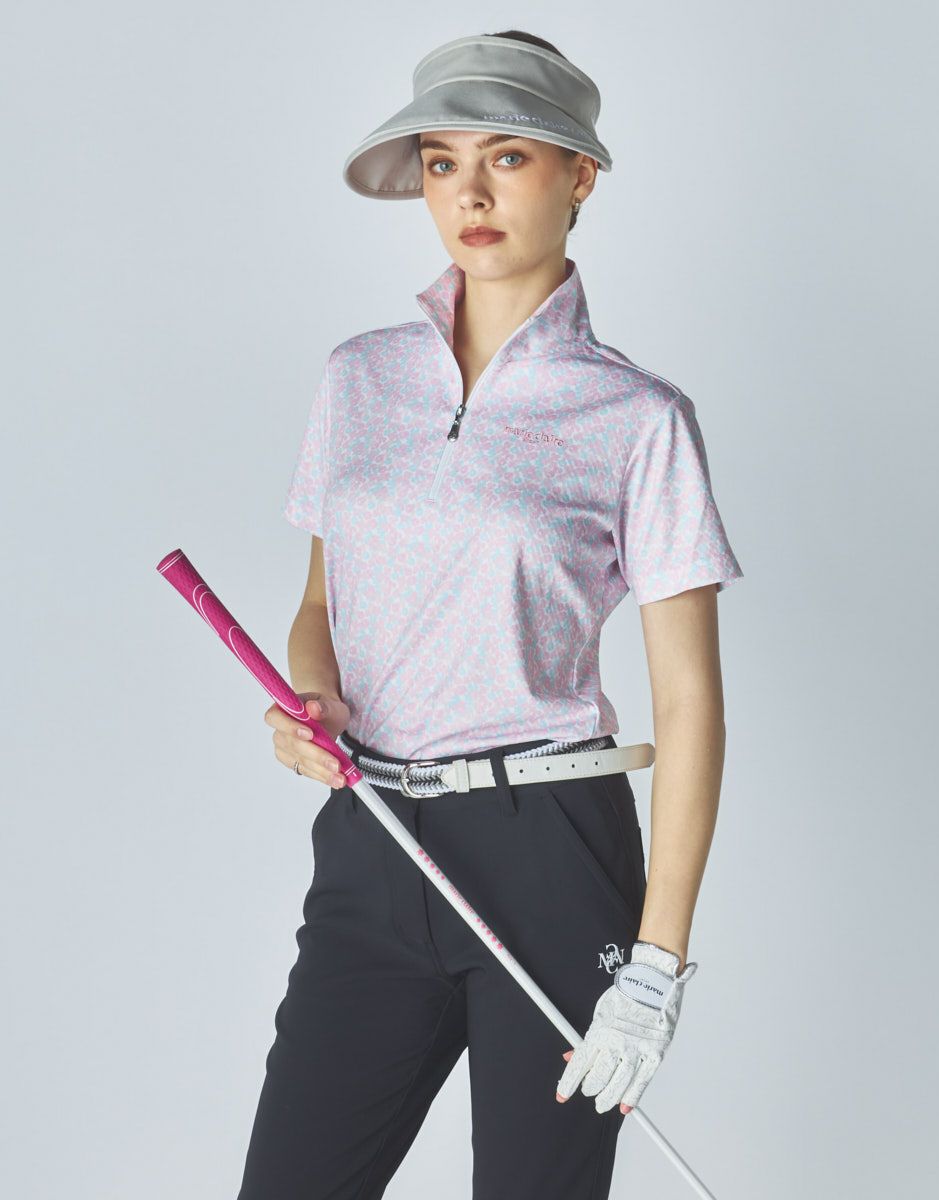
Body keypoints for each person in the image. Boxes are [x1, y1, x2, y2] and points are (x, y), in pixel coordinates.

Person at [240, 28, 744, 1200]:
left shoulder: (637, 417)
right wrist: (309, 698)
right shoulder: (358, 378)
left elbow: (689, 705)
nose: (468, 194)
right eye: (441, 161)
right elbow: (321, 602)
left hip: (551, 849)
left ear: (580, 176)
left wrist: (656, 967)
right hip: (373, 838)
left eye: (507, 157)